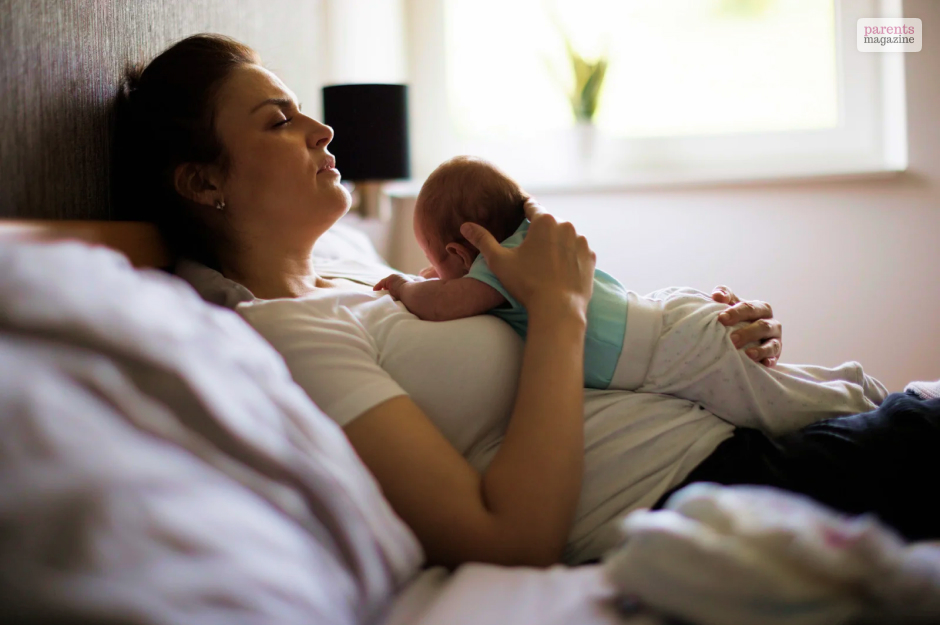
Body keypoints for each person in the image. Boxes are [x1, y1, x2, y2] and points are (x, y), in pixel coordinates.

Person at [113, 33, 939, 568]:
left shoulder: (357, 285)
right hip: (707, 491)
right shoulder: (287, 337)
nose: (321, 131)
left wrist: (709, 337)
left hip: (741, 440)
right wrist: (561, 310)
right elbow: (510, 536)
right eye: (277, 121)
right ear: (202, 180)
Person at [373, 156, 887, 437]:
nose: (438, 276)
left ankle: (856, 396)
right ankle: (848, 383)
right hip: (666, 317)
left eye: (436, 262)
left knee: (773, 408)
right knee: (769, 388)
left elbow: (442, 304)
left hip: (667, 347)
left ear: (458, 253)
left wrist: (403, 285)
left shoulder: (496, 268)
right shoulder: (533, 239)